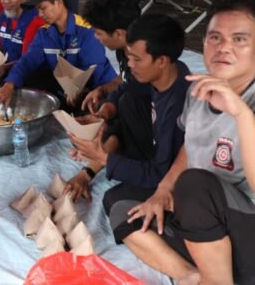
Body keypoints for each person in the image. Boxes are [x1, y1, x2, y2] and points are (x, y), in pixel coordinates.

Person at [119, 0, 255, 285]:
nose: (223, 47)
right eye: (215, 37)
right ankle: (192, 274)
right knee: (122, 205)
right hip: (212, 233)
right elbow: (190, 145)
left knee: (194, 185)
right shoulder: (199, 90)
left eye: (239, 39)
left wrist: (241, 114)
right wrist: (163, 190)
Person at [68, 14, 190, 235]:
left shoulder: (177, 107)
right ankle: (114, 159)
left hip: (170, 176)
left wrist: (103, 158)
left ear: (161, 61)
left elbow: (161, 173)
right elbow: (125, 89)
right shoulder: (168, 71)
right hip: (150, 149)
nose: (130, 65)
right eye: (128, 57)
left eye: (136, 59)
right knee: (126, 101)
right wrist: (101, 117)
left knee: (113, 201)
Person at [62, 0, 150, 201]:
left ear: (118, 33)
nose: (95, 37)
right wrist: (102, 93)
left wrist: (87, 173)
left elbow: (126, 117)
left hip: (148, 133)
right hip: (131, 110)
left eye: (99, 33)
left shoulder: (146, 66)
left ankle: (108, 150)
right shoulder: (126, 47)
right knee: (86, 118)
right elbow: (124, 80)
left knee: (101, 134)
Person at [0, 0, 116, 109]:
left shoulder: (86, 30)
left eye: (43, 8)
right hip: (68, 92)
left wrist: (77, 88)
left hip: (100, 92)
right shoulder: (44, 33)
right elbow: (28, 61)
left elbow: (94, 69)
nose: (40, 14)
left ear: (58, 2)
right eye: (38, 9)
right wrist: (9, 84)